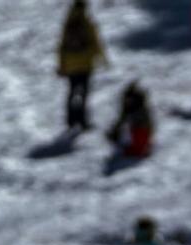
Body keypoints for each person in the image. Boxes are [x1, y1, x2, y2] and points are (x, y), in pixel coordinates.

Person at [57, 0, 107, 133]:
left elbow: (61, 46)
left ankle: (70, 120)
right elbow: (97, 42)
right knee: (83, 93)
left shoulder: (68, 23)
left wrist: (61, 65)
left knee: (72, 92)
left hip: (71, 65)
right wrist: (103, 60)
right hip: (85, 64)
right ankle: (83, 121)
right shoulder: (87, 23)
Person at [106, 80, 155, 157]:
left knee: (136, 150)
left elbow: (146, 125)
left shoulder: (140, 109)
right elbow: (121, 120)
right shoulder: (129, 108)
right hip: (137, 133)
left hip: (141, 132)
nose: (127, 102)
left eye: (129, 100)